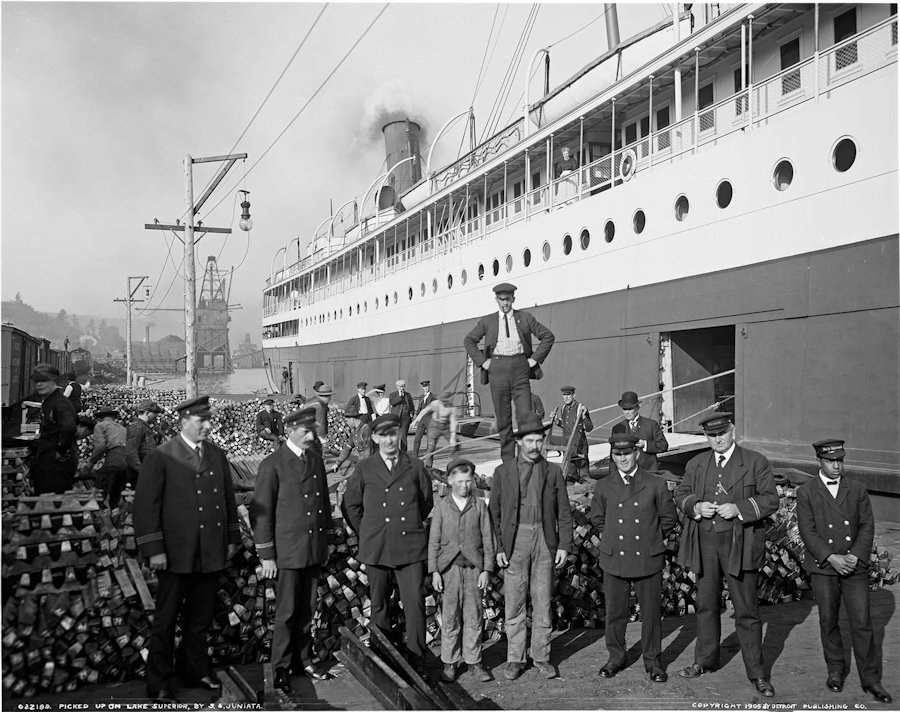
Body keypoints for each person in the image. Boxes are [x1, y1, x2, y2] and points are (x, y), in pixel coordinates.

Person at [134, 395, 240, 702]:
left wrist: (232, 538)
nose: (208, 426)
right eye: (201, 421)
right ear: (184, 422)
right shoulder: (162, 456)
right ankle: (160, 681)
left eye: (209, 421)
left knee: (199, 619)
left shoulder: (217, 455)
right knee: (166, 621)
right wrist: (154, 549)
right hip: (176, 552)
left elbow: (228, 500)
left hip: (209, 551)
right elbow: (146, 507)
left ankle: (194, 671)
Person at [674, 413, 778, 697]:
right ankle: (705, 661)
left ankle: (757, 673)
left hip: (740, 543)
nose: (717, 439)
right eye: (711, 435)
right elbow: (681, 493)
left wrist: (739, 509)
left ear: (732, 430)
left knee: (746, 610)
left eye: (721, 433)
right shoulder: (696, 463)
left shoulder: (755, 462)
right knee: (706, 606)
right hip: (705, 543)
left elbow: (771, 499)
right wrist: (695, 506)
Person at [796, 439, 891, 704]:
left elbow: (867, 526)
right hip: (824, 566)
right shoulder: (806, 492)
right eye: (830, 461)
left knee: (862, 622)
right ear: (819, 462)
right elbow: (807, 531)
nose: (836, 466)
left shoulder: (857, 489)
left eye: (839, 461)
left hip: (854, 566)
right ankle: (835, 670)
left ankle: (871, 680)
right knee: (828, 620)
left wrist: (853, 556)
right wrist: (831, 557)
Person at [341, 413, 434, 676]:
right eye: (384, 435)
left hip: (409, 547)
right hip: (377, 546)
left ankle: (417, 660)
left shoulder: (414, 466)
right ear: (375, 438)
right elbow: (350, 505)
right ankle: (384, 657)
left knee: (414, 603)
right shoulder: (365, 467)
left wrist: (408, 525)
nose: (390, 440)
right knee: (379, 603)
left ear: (400, 435)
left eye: (394, 433)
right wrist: (367, 531)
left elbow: (426, 502)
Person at [251, 406, 334, 695]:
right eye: (306, 431)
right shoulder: (272, 464)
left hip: (311, 548)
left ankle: (304, 660)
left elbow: (322, 502)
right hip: (287, 552)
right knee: (285, 613)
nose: (312, 435)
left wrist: (325, 541)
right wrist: (267, 555)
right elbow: (261, 513)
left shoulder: (315, 459)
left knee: (307, 610)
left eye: (313, 430)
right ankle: (281, 668)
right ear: (290, 431)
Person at [489, 412, 572, 680]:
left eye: (539, 440)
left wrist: (563, 545)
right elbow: (495, 513)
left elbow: (564, 512)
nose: (535, 446)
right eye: (530, 441)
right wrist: (500, 547)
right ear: (520, 442)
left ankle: (542, 656)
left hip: (545, 540)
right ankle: (515, 658)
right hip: (516, 541)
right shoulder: (503, 472)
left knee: (542, 600)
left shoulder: (553, 471)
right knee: (514, 601)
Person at [592, 434, 677, 683]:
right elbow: (598, 518)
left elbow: (669, 517)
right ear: (612, 457)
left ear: (636, 454)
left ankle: (653, 662)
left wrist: (650, 538)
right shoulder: (604, 485)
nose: (623, 459)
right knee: (615, 613)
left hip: (646, 558)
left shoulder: (654, 483)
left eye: (627, 454)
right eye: (618, 455)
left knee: (650, 614)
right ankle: (615, 658)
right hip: (615, 557)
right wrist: (614, 539)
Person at [464, 283, 555, 462]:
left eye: (508, 299)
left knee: (526, 415)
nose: (505, 303)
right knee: (503, 418)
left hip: (520, 368)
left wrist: (534, 360)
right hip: (497, 368)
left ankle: (526, 459)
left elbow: (548, 336)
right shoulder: (487, 321)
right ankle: (508, 463)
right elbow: (469, 341)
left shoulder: (525, 318)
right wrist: (484, 362)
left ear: (513, 299)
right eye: (501, 299)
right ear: (496, 300)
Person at [428, 458, 494, 683]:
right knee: (450, 617)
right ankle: (449, 662)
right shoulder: (442, 506)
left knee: (474, 615)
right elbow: (434, 540)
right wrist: (435, 570)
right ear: (449, 481)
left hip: (474, 569)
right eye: (459, 481)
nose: (464, 486)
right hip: (449, 571)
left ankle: (474, 660)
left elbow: (488, 538)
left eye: (468, 481)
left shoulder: (479, 505)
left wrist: (486, 569)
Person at [30, 364, 77, 495]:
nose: (39, 384)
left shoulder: (58, 403)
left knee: (51, 502)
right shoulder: (50, 401)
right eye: (37, 381)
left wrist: (61, 450)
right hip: (51, 459)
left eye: (44, 381)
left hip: (56, 464)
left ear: (53, 381)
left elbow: (69, 426)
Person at [82, 407, 129, 509]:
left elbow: (100, 447)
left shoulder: (100, 426)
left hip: (113, 461)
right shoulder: (123, 428)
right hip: (126, 463)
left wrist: (89, 464)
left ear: (100, 418)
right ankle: (117, 520)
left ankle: (98, 520)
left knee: (97, 497)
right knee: (115, 498)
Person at [611, 391, 668, 471]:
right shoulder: (617, 428)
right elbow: (613, 455)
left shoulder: (651, 424)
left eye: (630, 409)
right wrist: (613, 476)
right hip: (627, 473)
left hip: (649, 472)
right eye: (624, 409)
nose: (627, 412)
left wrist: (645, 444)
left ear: (637, 408)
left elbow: (663, 446)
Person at [552, 386, 594, 480]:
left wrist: (584, 417)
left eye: (568, 395)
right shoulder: (564, 408)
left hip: (579, 447)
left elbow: (589, 428)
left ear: (573, 395)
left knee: (584, 475)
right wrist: (557, 421)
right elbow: (566, 426)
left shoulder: (580, 408)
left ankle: (588, 493)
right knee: (570, 476)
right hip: (567, 447)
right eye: (564, 395)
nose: (566, 397)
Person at [410, 391, 458, 468]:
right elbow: (424, 411)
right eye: (442, 401)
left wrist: (452, 437)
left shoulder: (452, 408)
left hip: (446, 427)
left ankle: (457, 465)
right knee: (431, 448)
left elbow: (453, 422)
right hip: (434, 427)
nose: (443, 403)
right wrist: (416, 420)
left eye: (445, 401)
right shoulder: (435, 403)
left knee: (456, 444)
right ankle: (428, 468)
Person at [126, 400, 162, 486]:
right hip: (138, 473)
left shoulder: (144, 426)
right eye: (155, 413)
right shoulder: (137, 427)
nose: (156, 416)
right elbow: (131, 451)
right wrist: (141, 469)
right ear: (147, 413)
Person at [389, 380, 416, 452]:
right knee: (395, 436)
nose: (402, 388)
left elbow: (412, 406)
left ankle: (404, 452)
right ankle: (395, 451)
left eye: (403, 386)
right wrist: (400, 396)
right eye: (400, 387)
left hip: (405, 418)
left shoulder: (408, 395)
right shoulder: (393, 394)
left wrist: (411, 414)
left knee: (404, 436)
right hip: (396, 418)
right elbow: (392, 403)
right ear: (397, 387)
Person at [413, 380, 436, 457]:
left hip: (430, 420)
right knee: (417, 438)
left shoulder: (433, 397)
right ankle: (415, 455)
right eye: (424, 387)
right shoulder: (421, 397)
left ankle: (429, 455)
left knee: (429, 440)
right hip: (422, 420)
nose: (425, 388)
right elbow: (419, 408)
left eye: (426, 386)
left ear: (429, 386)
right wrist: (416, 418)